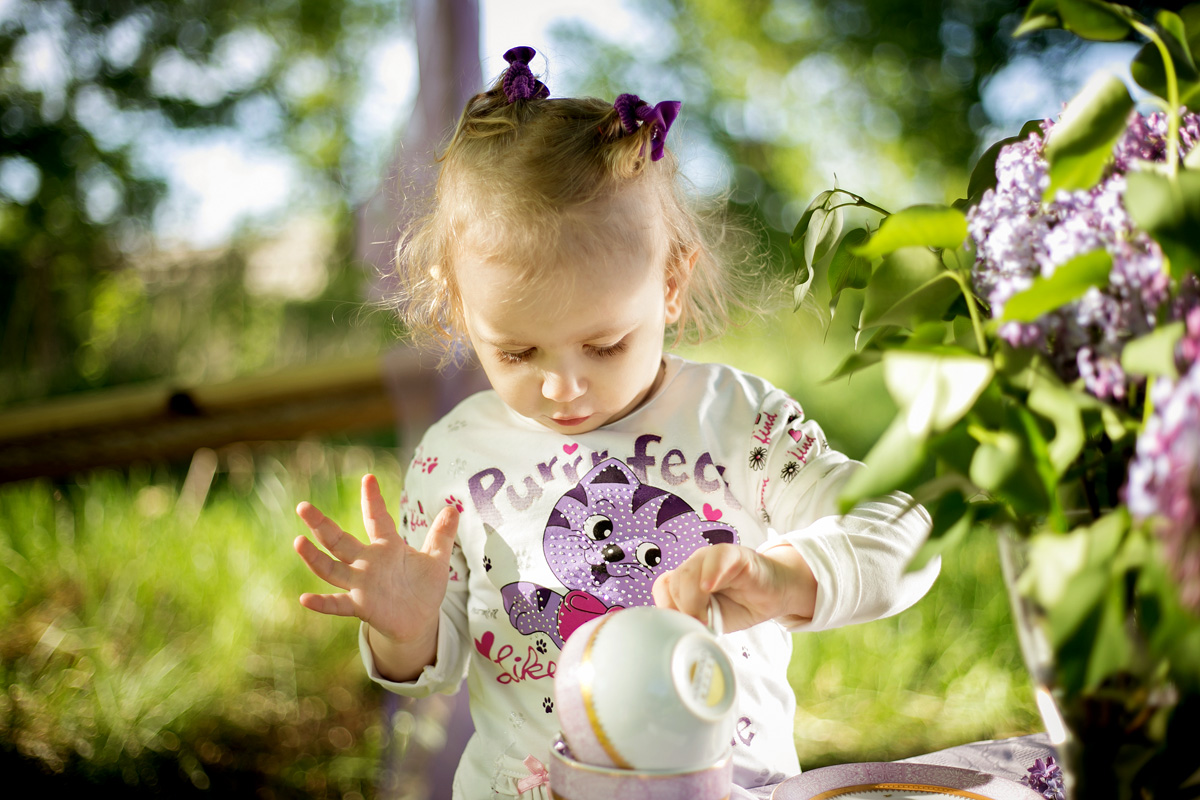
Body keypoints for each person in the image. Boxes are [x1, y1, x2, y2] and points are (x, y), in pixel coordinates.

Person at [293, 46, 940, 799]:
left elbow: (904, 529)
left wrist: (781, 576)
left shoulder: (737, 423)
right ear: (458, 305)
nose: (563, 385)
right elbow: (427, 664)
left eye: (605, 345)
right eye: (517, 350)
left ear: (671, 284)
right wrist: (402, 627)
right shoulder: (454, 457)